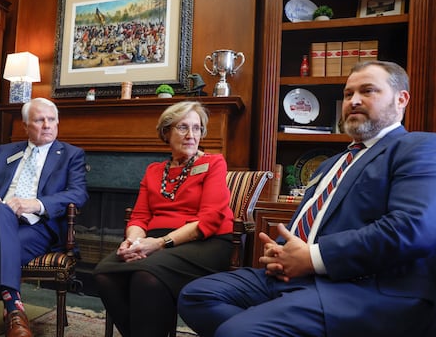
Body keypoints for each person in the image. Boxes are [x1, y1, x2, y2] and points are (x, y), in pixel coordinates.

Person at [178, 60, 436, 336]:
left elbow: (411, 229)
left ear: (401, 99)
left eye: (368, 91)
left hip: (361, 287)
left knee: (237, 331)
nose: (354, 101)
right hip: (295, 276)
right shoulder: (331, 164)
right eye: (348, 94)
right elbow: (312, 221)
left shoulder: (418, 147)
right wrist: (281, 252)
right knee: (196, 295)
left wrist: (313, 257)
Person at [93, 101, 235, 337]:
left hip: (206, 243)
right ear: (166, 132)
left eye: (197, 128)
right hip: (157, 242)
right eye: (182, 128)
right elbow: (140, 216)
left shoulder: (213, 163)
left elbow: (209, 219)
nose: (191, 135)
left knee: (146, 276)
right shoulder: (154, 170)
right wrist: (134, 242)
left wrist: (158, 244)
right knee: (104, 273)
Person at [0, 97, 89, 337]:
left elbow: (78, 193)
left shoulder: (70, 154)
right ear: (26, 126)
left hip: (38, 227)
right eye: (39, 120)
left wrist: (36, 204)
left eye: (52, 119)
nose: (47, 125)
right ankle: (14, 306)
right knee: (1, 210)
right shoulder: (7, 151)